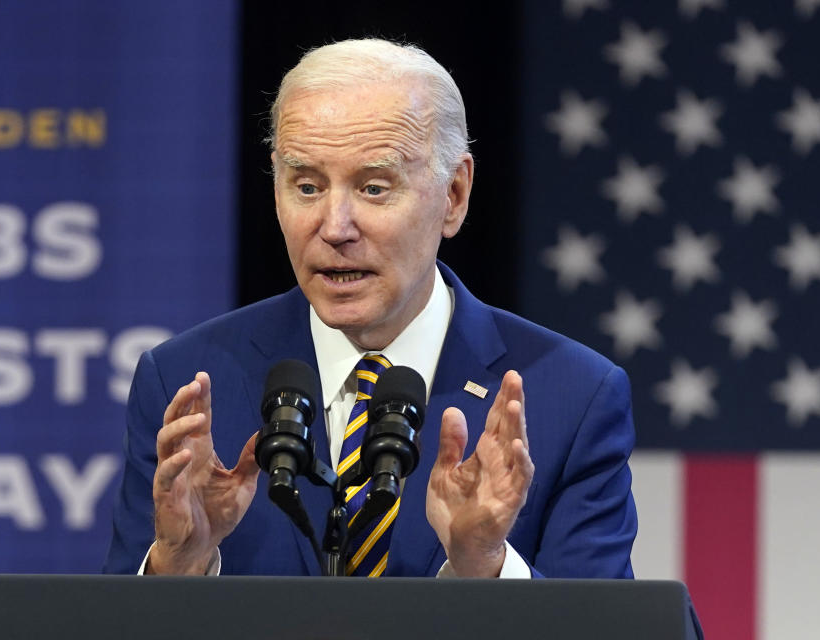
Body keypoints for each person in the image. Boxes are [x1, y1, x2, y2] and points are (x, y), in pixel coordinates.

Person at [104, 38, 637, 580]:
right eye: (307, 186)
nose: (334, 228)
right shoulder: (185, 383)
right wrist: (179, 566)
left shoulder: (573, 397)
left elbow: (605, 628)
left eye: (374, 188)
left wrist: (486, 566)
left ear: (454, 195)